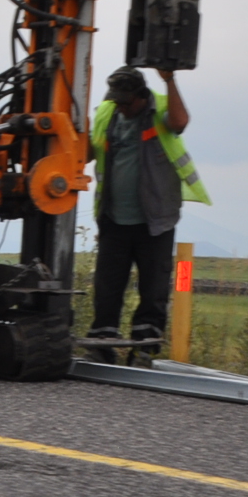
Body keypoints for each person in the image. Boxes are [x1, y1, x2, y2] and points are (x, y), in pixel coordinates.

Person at [87, 65, 208, 345]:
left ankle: (145, 344)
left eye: (126, 103)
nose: (122, 108)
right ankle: (103, 340)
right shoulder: (109, 113)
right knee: (107, 286)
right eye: (117, 101)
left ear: (141, 97)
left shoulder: (160, 110)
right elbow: (87, 152)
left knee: (153, 287)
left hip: (155, 220)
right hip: (114, 218)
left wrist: (169, 79)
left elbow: (179, 122)